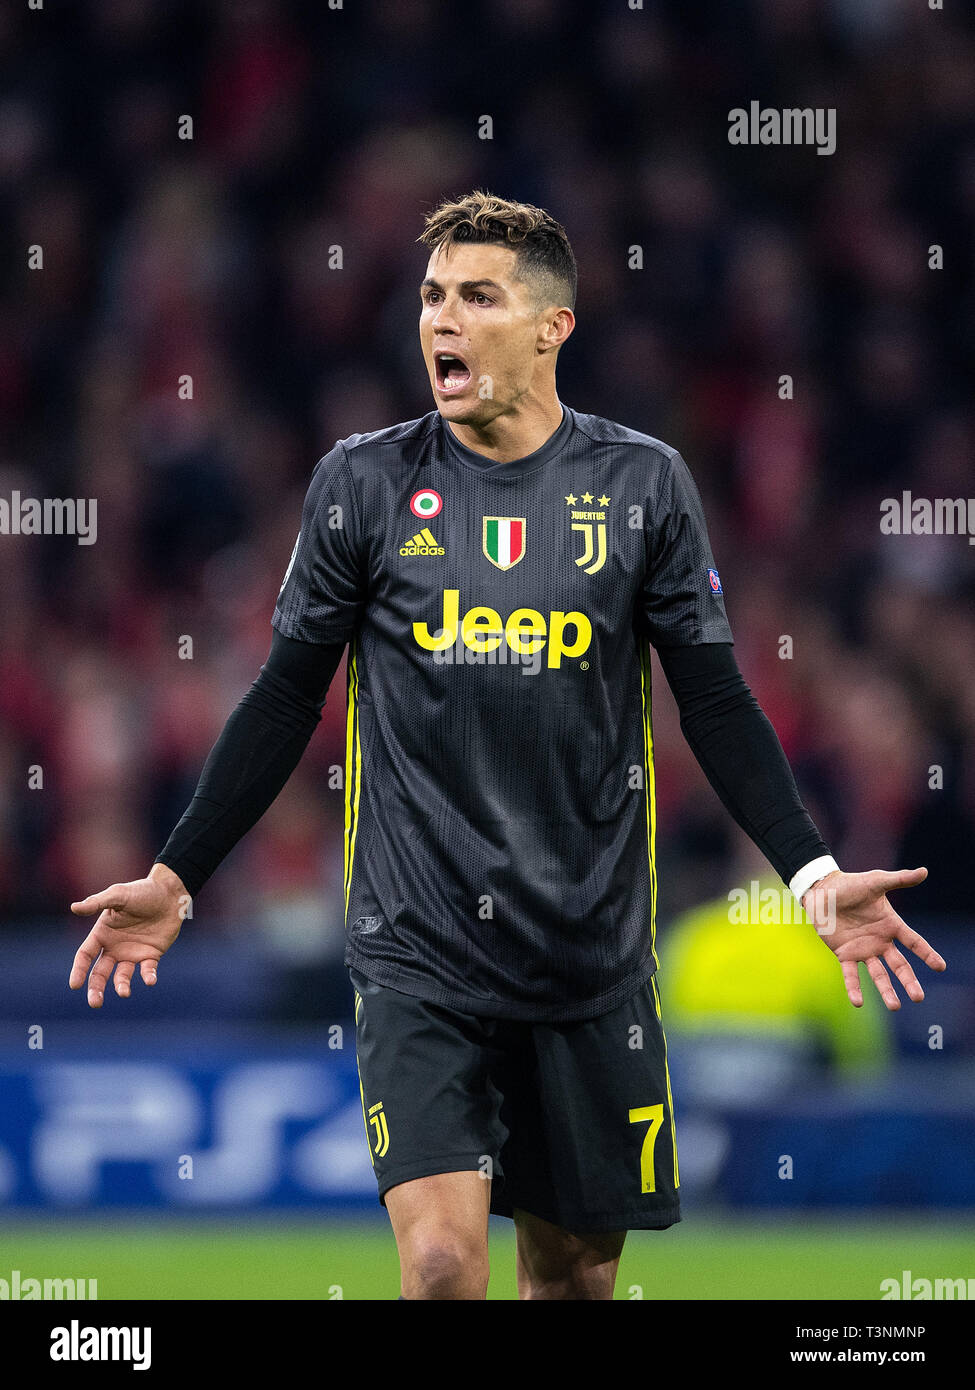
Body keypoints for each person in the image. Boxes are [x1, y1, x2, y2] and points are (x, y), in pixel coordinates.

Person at [68, 190, 946, 1300]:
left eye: (477, 296)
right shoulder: (365, 484)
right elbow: (286, 696)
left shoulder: (642, 487)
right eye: (432, 297)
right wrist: (176, 871)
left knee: (573, 1280)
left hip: (588, 955)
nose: (443, 320)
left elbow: (715, 702)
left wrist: (811, 868)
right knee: (441, 1266)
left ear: (551, 326)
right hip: (418, 949)